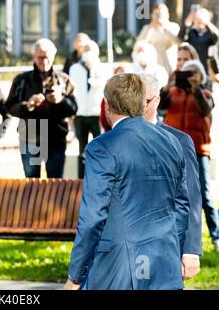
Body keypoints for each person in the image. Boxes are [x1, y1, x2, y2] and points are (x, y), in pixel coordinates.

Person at [65, 73, 189, 290]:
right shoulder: (171, 141)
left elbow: (93, 216)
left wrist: (75, 275)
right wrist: (173, 253)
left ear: (107, 105)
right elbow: (181, 207)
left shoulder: (102, 147)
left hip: (120, 269)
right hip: (165, 262)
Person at [141, 73, 202, 280]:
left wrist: (191, 249)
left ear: (156, 101)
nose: (137, 107)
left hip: (165, 244)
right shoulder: (114, 141)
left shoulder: (179, 140)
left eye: (144, 101)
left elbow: (192, 196)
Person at [158, 59, 219, 251]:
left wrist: (196, 90)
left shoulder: (205, 94)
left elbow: (205, 109)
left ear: (201, 76)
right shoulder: (172, 94)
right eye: (186, 73)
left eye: (194, 73)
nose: (190, 76)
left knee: (205, 195)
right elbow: (159, 106)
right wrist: (167, 86)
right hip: (172, 150)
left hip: (198, 150)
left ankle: (216, 236)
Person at [5, 38, 77, 178]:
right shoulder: (21, 80)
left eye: (47, 57)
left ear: (53, 57)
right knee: (32, 185)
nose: (44, 61)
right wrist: (28, 105)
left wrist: (60, 100)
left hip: (56, 138)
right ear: (34, 57)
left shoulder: (64, 80)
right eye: (40, 57)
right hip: (30, 137)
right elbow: (10, 107)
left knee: (55, 185)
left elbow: (74, 108)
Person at [69, 40, 112, 178]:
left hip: (97, 114)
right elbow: (72, 91)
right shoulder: (75, 68)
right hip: (80, 113)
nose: (87, 52)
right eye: (85, 49)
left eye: (90, 49)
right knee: (82, 148)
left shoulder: (104, 69)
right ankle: (81, 179)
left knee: (100, 148)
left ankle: (100, 178)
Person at [137, 3, 180, 74]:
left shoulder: (173, 26)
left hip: (169, 62)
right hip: (153, 63)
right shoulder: (147, 28)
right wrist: (151, 28)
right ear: (152, 15)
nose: (159, 16)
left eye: (161, 13)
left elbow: (176, 41)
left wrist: (164, 26)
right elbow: (140, 45)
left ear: (167, 14)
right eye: (156, 14)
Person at [183, 6, 219, 72]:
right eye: (196, 18)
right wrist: (186, 24)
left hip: (208, 70)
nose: (198, 20)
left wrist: (206, 23)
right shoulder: (191, 32)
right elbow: (180, 40)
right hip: (193, 69)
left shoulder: (210, 33)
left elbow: (216, 38)